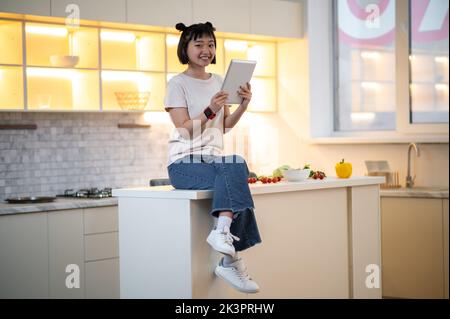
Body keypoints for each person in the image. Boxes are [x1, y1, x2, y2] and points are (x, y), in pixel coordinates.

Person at [164, 21, 262, 294]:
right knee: (234, 167)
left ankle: (225, 243)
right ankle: (231, 260)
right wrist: (209, 109)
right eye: (199, 44)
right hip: (183, 163)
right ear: (186, 48)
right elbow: (183, 130)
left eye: (210, 44)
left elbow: (226, 125)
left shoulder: (219, 81)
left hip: (213, 160)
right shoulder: (177, 84)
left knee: (237, 164)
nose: (206, 50)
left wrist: (243, 105)